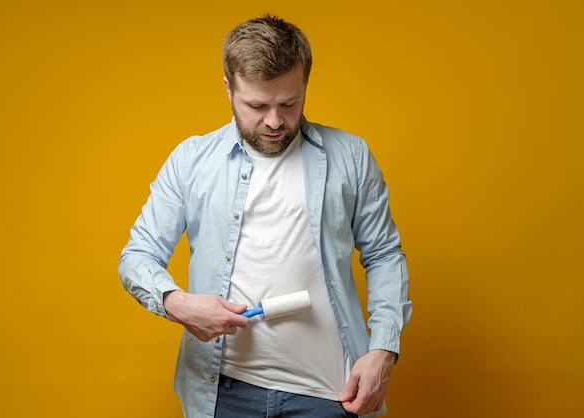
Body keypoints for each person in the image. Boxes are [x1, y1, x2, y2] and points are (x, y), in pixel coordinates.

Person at [119, 14, 412, 418]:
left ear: (304, 86)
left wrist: (383, 350)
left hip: (331, 394)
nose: (274, 121)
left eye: (289, 103)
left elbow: (384, 256)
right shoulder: (190, 161)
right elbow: (137, 255)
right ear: (228, 88)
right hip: (221, 394)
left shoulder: (351, 157)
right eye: (257, 105)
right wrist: (177, 303)